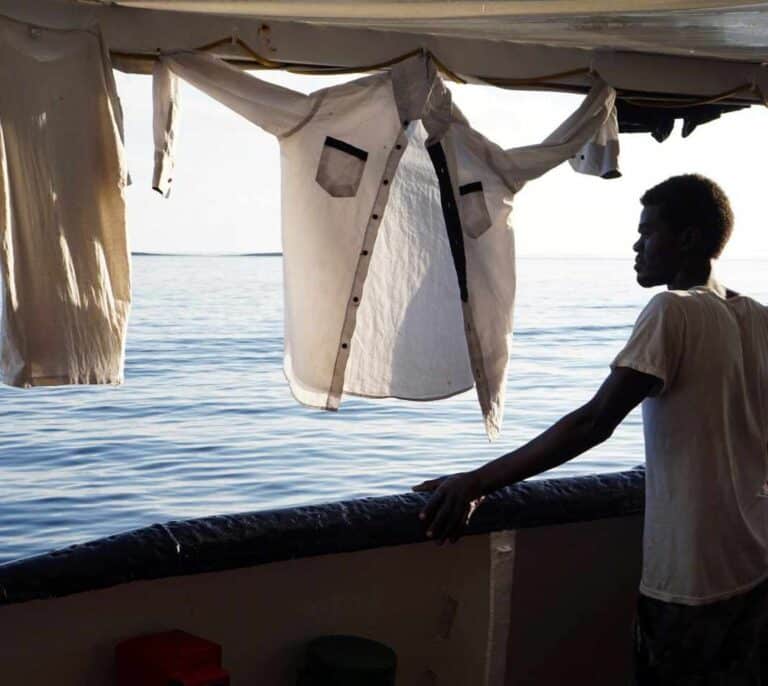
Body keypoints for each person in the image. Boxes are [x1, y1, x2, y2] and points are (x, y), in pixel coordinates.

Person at [414, 174, 768, 684]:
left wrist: (476, 482)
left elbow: (594, 421)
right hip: (753, 567)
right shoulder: (756, 317)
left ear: (687, 239)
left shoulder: (673, 311)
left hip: (693, 582)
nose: (636, 245)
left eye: (647, 232)